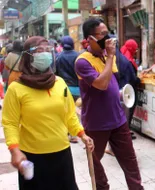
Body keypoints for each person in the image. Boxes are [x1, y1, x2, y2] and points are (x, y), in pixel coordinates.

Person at [2, 36, 94, 190]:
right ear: (28, 56)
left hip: (61, 153)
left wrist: (82, 134)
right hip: (32, 157)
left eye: (47, 50)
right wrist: (14, 150)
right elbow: (10, 122)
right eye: (39, 51)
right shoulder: (16, 88)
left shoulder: (59, 83)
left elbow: (69, 114)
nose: (44, 54)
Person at [75, 18, 143, 190]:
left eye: (108, 32)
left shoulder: (106, 56)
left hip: (118, 119)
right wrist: (112, 55)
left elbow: (112, 84)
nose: (109, 37)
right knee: (95, 162)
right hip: (97, 123)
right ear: (90, 38)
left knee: (130, 161)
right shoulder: (83, 61)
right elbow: (101, 84)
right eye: (103, 34)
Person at [55, 36, 80, 144]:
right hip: (78, 89)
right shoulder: (78, 56)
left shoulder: (59, 57)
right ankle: (74, 135)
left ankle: (67, 133)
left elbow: (56, 73)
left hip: (64, 88)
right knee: (75, 112)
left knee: (65, 112)